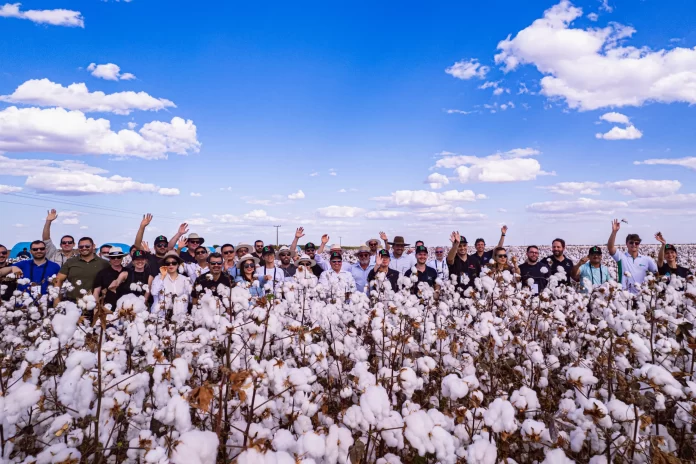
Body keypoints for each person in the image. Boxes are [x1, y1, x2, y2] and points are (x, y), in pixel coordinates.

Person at [53, 237, 109, 308]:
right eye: (81, 246)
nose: (84, 248)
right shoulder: (70, 262)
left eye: (87, 246)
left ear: (93, 246)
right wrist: (56, 299)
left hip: (95, 304)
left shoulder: (104, 263)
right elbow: (58, 279)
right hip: (72, 303)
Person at [607, 219, 657, 293]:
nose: (634, 245)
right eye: (631, 242)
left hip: (642, 297)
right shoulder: (621, 257)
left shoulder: (647, 260)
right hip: (624, 296)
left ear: (639, 245)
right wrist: (614, 232)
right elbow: (610, 248)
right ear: (626, 243)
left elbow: (656, 274)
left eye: (636, 243)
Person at [150, 251, 192, 320]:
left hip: (180, 318)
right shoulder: (158, 277)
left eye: (174, 263)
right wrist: (162, 276)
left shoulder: (185, 279)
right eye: (168, 263)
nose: (171, 265)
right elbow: (154, 292)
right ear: (164, 265)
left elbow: (189, 298)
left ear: (178, 265)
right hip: (161, 317)